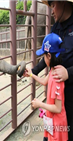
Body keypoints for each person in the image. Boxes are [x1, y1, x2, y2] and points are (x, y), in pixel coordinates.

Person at [24, 0, 73, 140]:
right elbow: (48, 55)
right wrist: (33, 72)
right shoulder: (55, 27)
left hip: (69, 91)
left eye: (53, 6)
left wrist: (68, 73)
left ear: (64, 2)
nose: (51, 11)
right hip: (56, 94)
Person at [24, 33, 68, 141]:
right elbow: (44, 81)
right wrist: (31, 74)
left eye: (43, 56)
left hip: (57, 125)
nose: (43, 58)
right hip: (50, 120)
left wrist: (40, 104)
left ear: (49, 56)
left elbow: (58, 108)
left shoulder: (57, 77)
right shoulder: (53, 70)